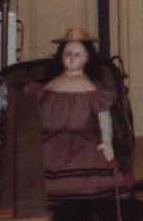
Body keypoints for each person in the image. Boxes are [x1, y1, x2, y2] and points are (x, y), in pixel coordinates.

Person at [29, 29, 120, 204]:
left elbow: (104, 116)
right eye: (67, 53)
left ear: (87, 57)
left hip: (84, 145)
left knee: (91, 178)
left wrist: (107, 142)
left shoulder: (93, 90)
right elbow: (34, 116)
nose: (71, 57)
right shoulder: (48, 87)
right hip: (49, 145)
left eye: (77, 54)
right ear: (60, 57)